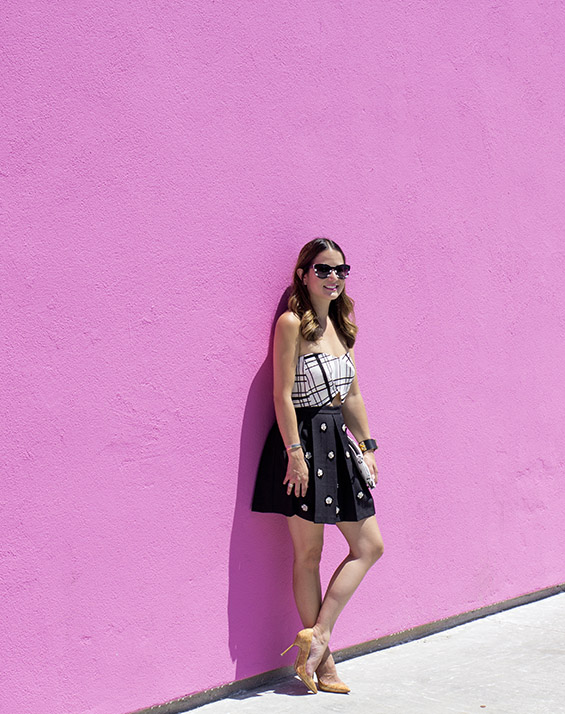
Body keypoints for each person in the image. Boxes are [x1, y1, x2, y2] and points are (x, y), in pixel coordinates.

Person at [251, 237, 384, 695]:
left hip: (338, 444)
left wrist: (367, 446)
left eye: (341, 271)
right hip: (302, 441)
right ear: (304, 273)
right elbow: (281, 394)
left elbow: (353, 394)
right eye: (324, 270)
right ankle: (322, 665)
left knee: (370, 545)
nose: (333, 278)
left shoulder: (343, 326)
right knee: (308, 555)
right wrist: (294, 454)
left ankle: (318, 638)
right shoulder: (292, 323)